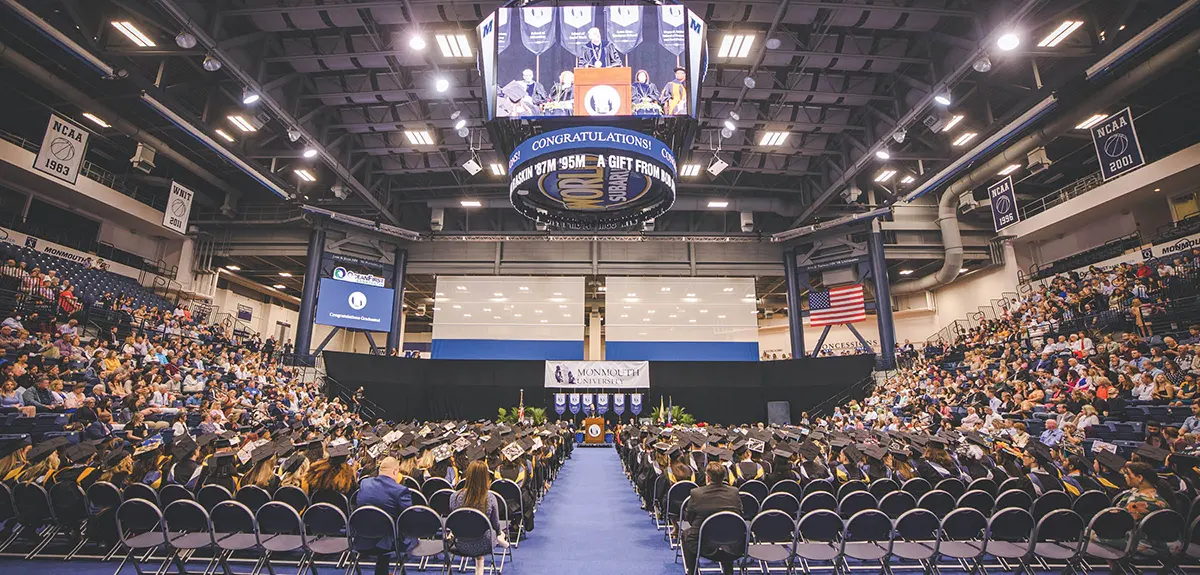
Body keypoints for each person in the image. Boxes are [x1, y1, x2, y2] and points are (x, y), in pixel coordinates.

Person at [356, 456, 416, 575]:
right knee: (405, 533)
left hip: (363, 537)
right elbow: (409, 517)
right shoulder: (400, 490)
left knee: (384, 524)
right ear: (395, 471)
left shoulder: (364, 483)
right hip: (389, 543)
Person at [682, 462, 744, 575]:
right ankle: (728, 570)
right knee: (727, 530)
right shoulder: (734, 492)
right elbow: (740, 514)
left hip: (705, 545)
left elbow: (689, 518)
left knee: (686, 535)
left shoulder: (697, 493)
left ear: (708, 477)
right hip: (732, 546)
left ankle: (692, 571)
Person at [449, 460, 509, 575]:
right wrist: (499, 534)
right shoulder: (490, 498)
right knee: (495, 532)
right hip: (484, 544)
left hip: (460, 543)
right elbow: (495, 525)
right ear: (485, 477)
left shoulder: (454, 497)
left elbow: (454, 520)